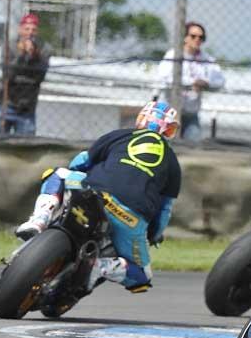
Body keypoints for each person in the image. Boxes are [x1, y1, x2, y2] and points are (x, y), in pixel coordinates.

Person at [15, 101, 182, 292]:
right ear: (165, 128)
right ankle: (98, 266)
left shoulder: (120, 135)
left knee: (57, 174)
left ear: (141, 119)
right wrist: (154, 235)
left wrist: (77, 172)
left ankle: (39, 219)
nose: (169, 133)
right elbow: (164, 211)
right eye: (170, 129)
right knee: (142, 276)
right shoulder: (172, 162)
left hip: (93, 192)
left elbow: (82, 161)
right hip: (130, 217)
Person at [157, 21, 225, 141]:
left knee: (193, 145)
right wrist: (191, 83)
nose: (197, 40)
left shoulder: (206, 59)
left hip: (190, 113)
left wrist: (206, 83)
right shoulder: (173, 54)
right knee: (165, 144)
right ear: (185, 38)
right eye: (193, 36)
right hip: (169, 112)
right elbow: (163, 78)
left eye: (201, 37)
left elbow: (220, 81)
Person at [0, 13, 51, 135]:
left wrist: (34, 56)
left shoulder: (45, 48)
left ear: (37, 32)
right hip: (5, 105)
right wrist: (21, 55)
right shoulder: (9, 46)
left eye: (33, 30)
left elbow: (39, 77)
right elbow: (8, 75)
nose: (30, 33)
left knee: (25, 145)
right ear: (20, 30)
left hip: (27, 109)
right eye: (27, 29)